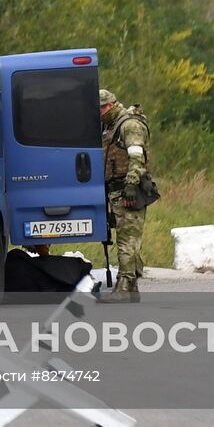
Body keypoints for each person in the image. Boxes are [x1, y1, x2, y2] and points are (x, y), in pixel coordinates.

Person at [97, 89, 153, 304]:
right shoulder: (112, 125)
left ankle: (123, 287)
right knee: (127, 237)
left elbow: (137, 157)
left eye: (102, 109)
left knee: (127, 240)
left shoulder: (129, 125)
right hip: (117, 188)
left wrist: (130, 184)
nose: (100, 113)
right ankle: (132, 288)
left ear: (110, 105)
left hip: (129, 189)